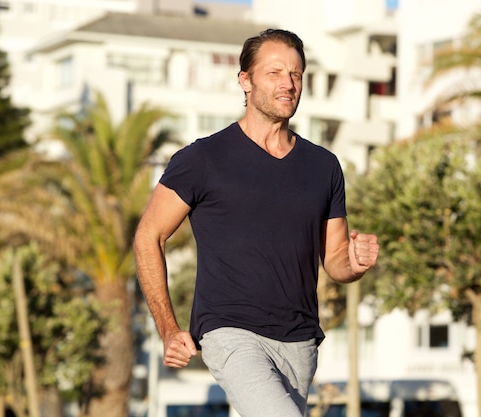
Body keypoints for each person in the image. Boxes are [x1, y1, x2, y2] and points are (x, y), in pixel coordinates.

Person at [133, 28, 380, 417]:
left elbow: (334, 261)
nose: (288, 84)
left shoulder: (323, 166)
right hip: (230, 332)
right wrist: (167, 327)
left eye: (296, 74)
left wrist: (354, 262)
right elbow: (149, 236)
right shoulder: (203, 159)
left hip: (300, 342)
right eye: (275, 73)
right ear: (245, 81)